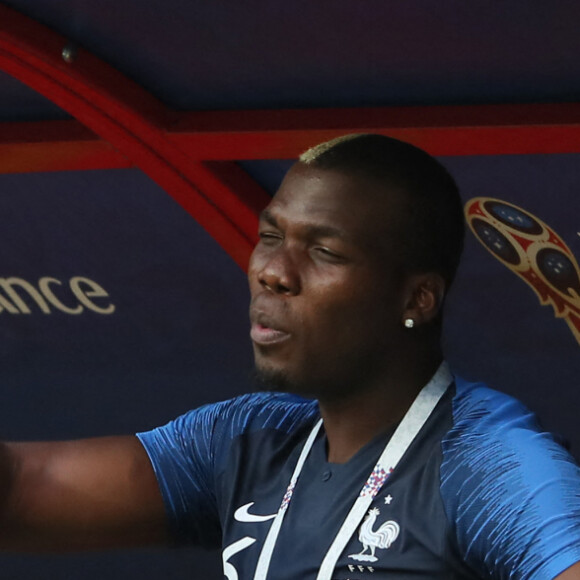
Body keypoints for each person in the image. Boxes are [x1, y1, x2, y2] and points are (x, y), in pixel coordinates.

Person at [0, 134, 579, 579]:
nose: (273, 272)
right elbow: (25, 490)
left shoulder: (484, 461)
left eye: (324, 251)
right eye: (271, 236)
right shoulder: (250, 437)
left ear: (416, 298)